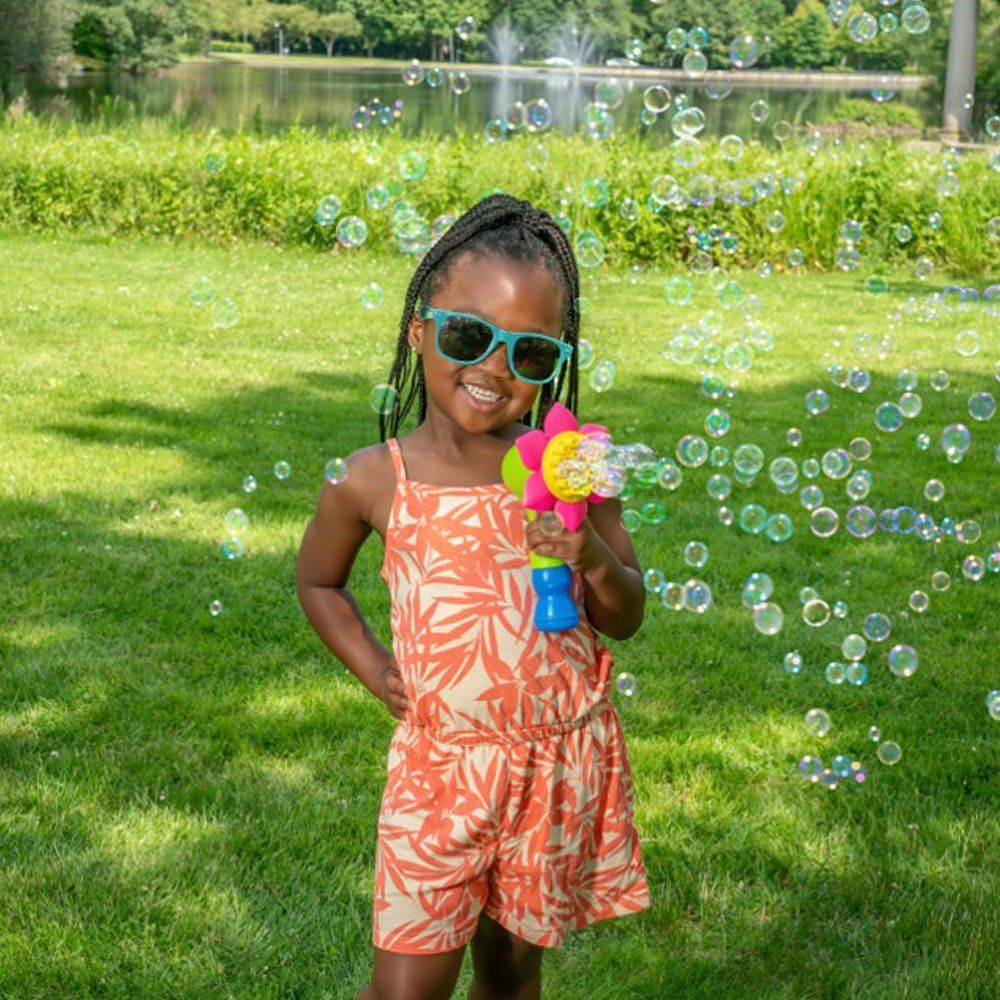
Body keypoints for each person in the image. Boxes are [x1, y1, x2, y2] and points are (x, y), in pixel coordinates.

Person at [296, 193, 651, 1000]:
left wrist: (591, 553)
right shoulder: (375, 478)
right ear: (421, 331)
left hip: (553, 761)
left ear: (552, 365)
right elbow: (318, 582)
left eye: (529, 354)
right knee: (406, 990)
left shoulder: (574, 472)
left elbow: (625, 616)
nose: (494, 368)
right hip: (443, 771)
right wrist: (372, 665)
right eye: (468, 335)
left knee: (511, 973)